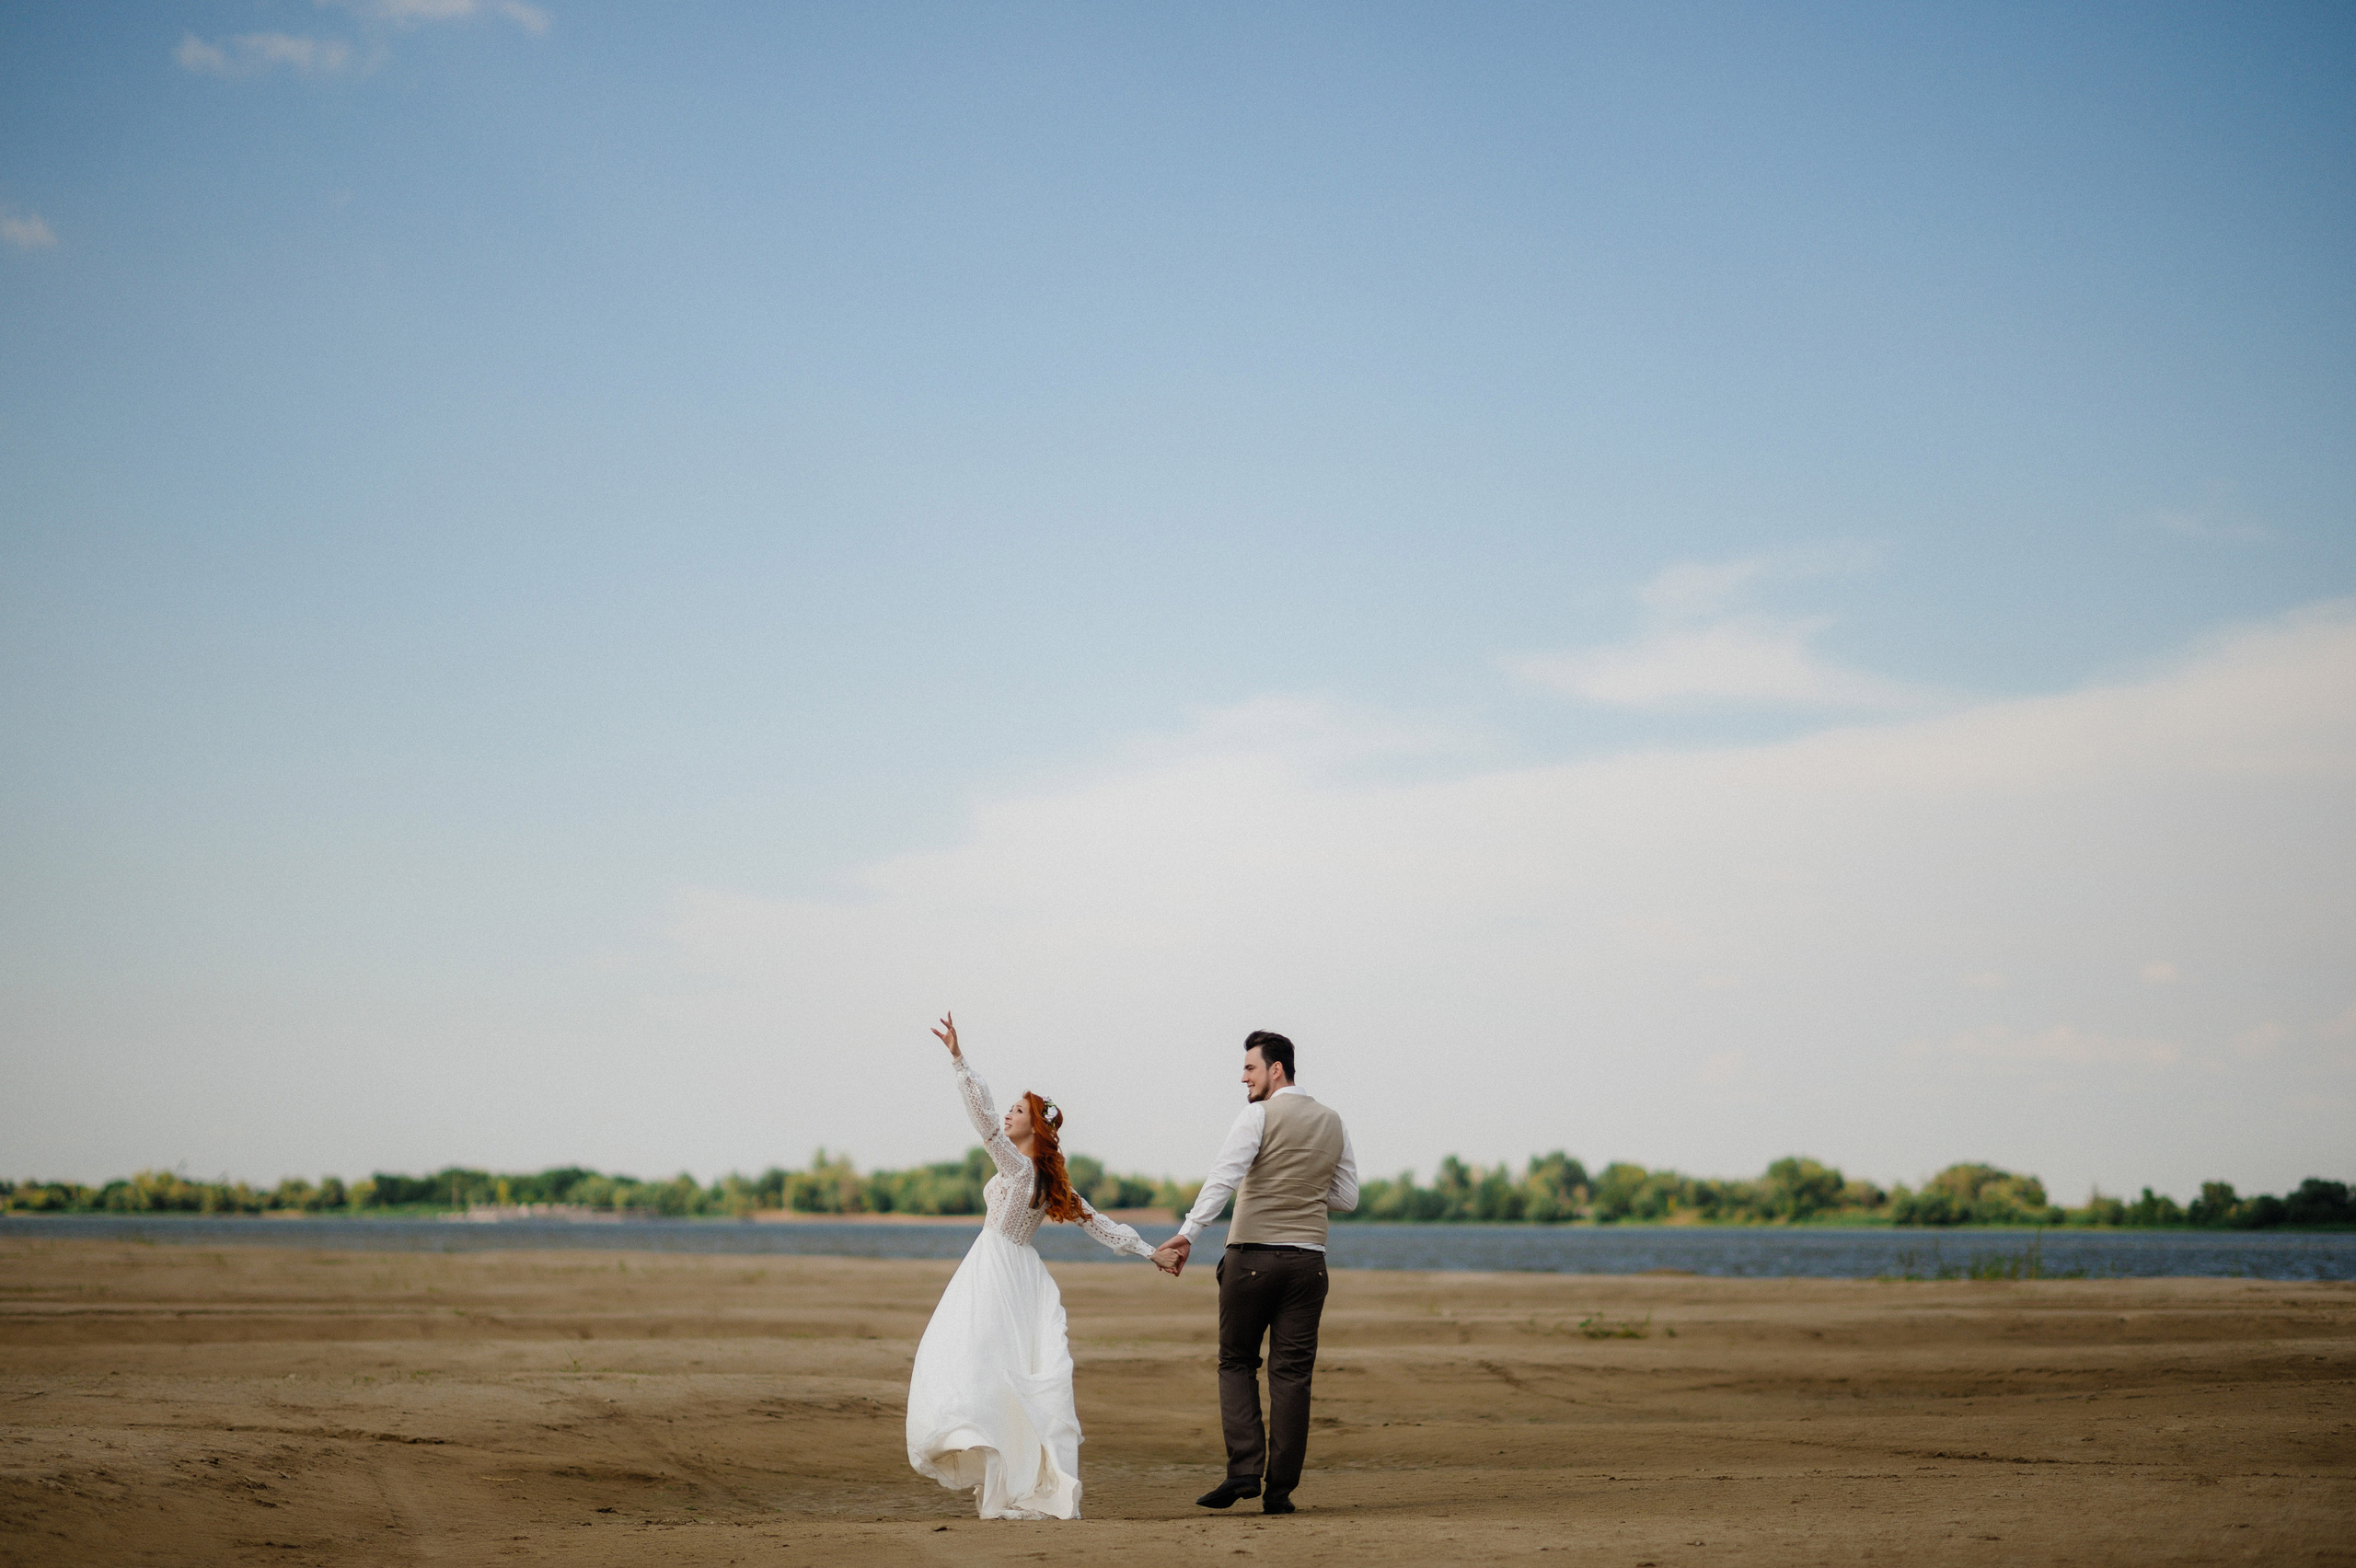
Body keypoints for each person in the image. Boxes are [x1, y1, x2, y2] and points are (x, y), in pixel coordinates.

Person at [906, 1012, 1171, 1520]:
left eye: (1016, 1110)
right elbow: (1099, 1224)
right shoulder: (1047, 1181)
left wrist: (960, 1062)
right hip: (1019, 1274)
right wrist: (1149, 1253)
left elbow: (984, 1127)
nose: (1007, 1115)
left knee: (981, 1366)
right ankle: (1009, 1470)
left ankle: (1003, 1466)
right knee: (1004, 1372)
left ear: (1035, 1125)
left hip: (998, 1270)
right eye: (1008, 1108)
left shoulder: (1021, 1167)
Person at [1152, 1030, 1357, 1516]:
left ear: (1276, 1070)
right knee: (1292, 1375)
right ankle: (1280, 1491)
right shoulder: (1333, 1121)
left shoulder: (1258, 1114)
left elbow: (1223, 1177)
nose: (1243, 1077)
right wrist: (1301, 1186)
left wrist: (1188, 1234)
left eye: (1249, 1068)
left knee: (1237, 1362)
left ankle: (1245, 1470)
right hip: (1309, 1263)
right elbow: (1347, 1197)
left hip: (1253, 1259)